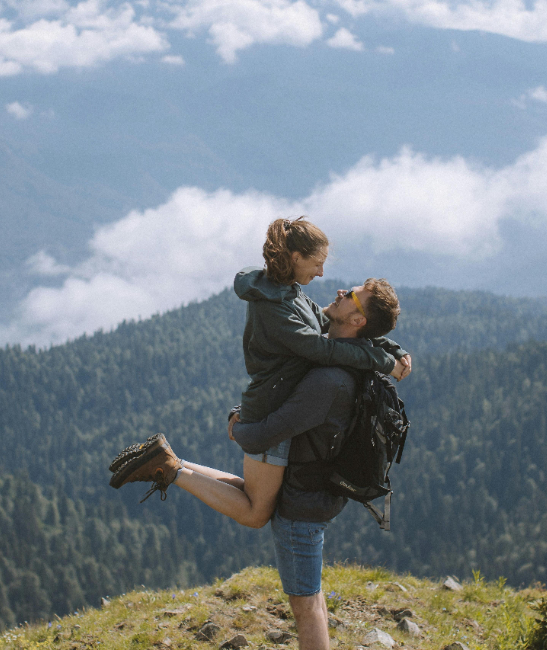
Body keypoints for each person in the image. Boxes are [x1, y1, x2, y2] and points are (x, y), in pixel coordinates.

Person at [115, 278, 405, 650]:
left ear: (358, 321)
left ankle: (171, 467)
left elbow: (272, 430)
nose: (340, 292)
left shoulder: (330, 378)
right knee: (263, 520)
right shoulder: (338, 355)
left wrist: (239, 428)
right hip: (310, 491)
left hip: (303, 503)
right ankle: (170, 465)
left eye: (351, 297)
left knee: (307, 607)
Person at [109, 218, 411, 526]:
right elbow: (323, 349)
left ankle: (171, 462)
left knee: (249, 492)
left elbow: (329, 323)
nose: (322, 273)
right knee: (255, 513)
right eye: (318, 263)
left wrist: (392, 348)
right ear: (296, 258)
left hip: (270, 399)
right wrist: (383, 361)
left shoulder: (288, 293)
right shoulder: (278, 307)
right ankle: (171, 468)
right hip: (272, 404)